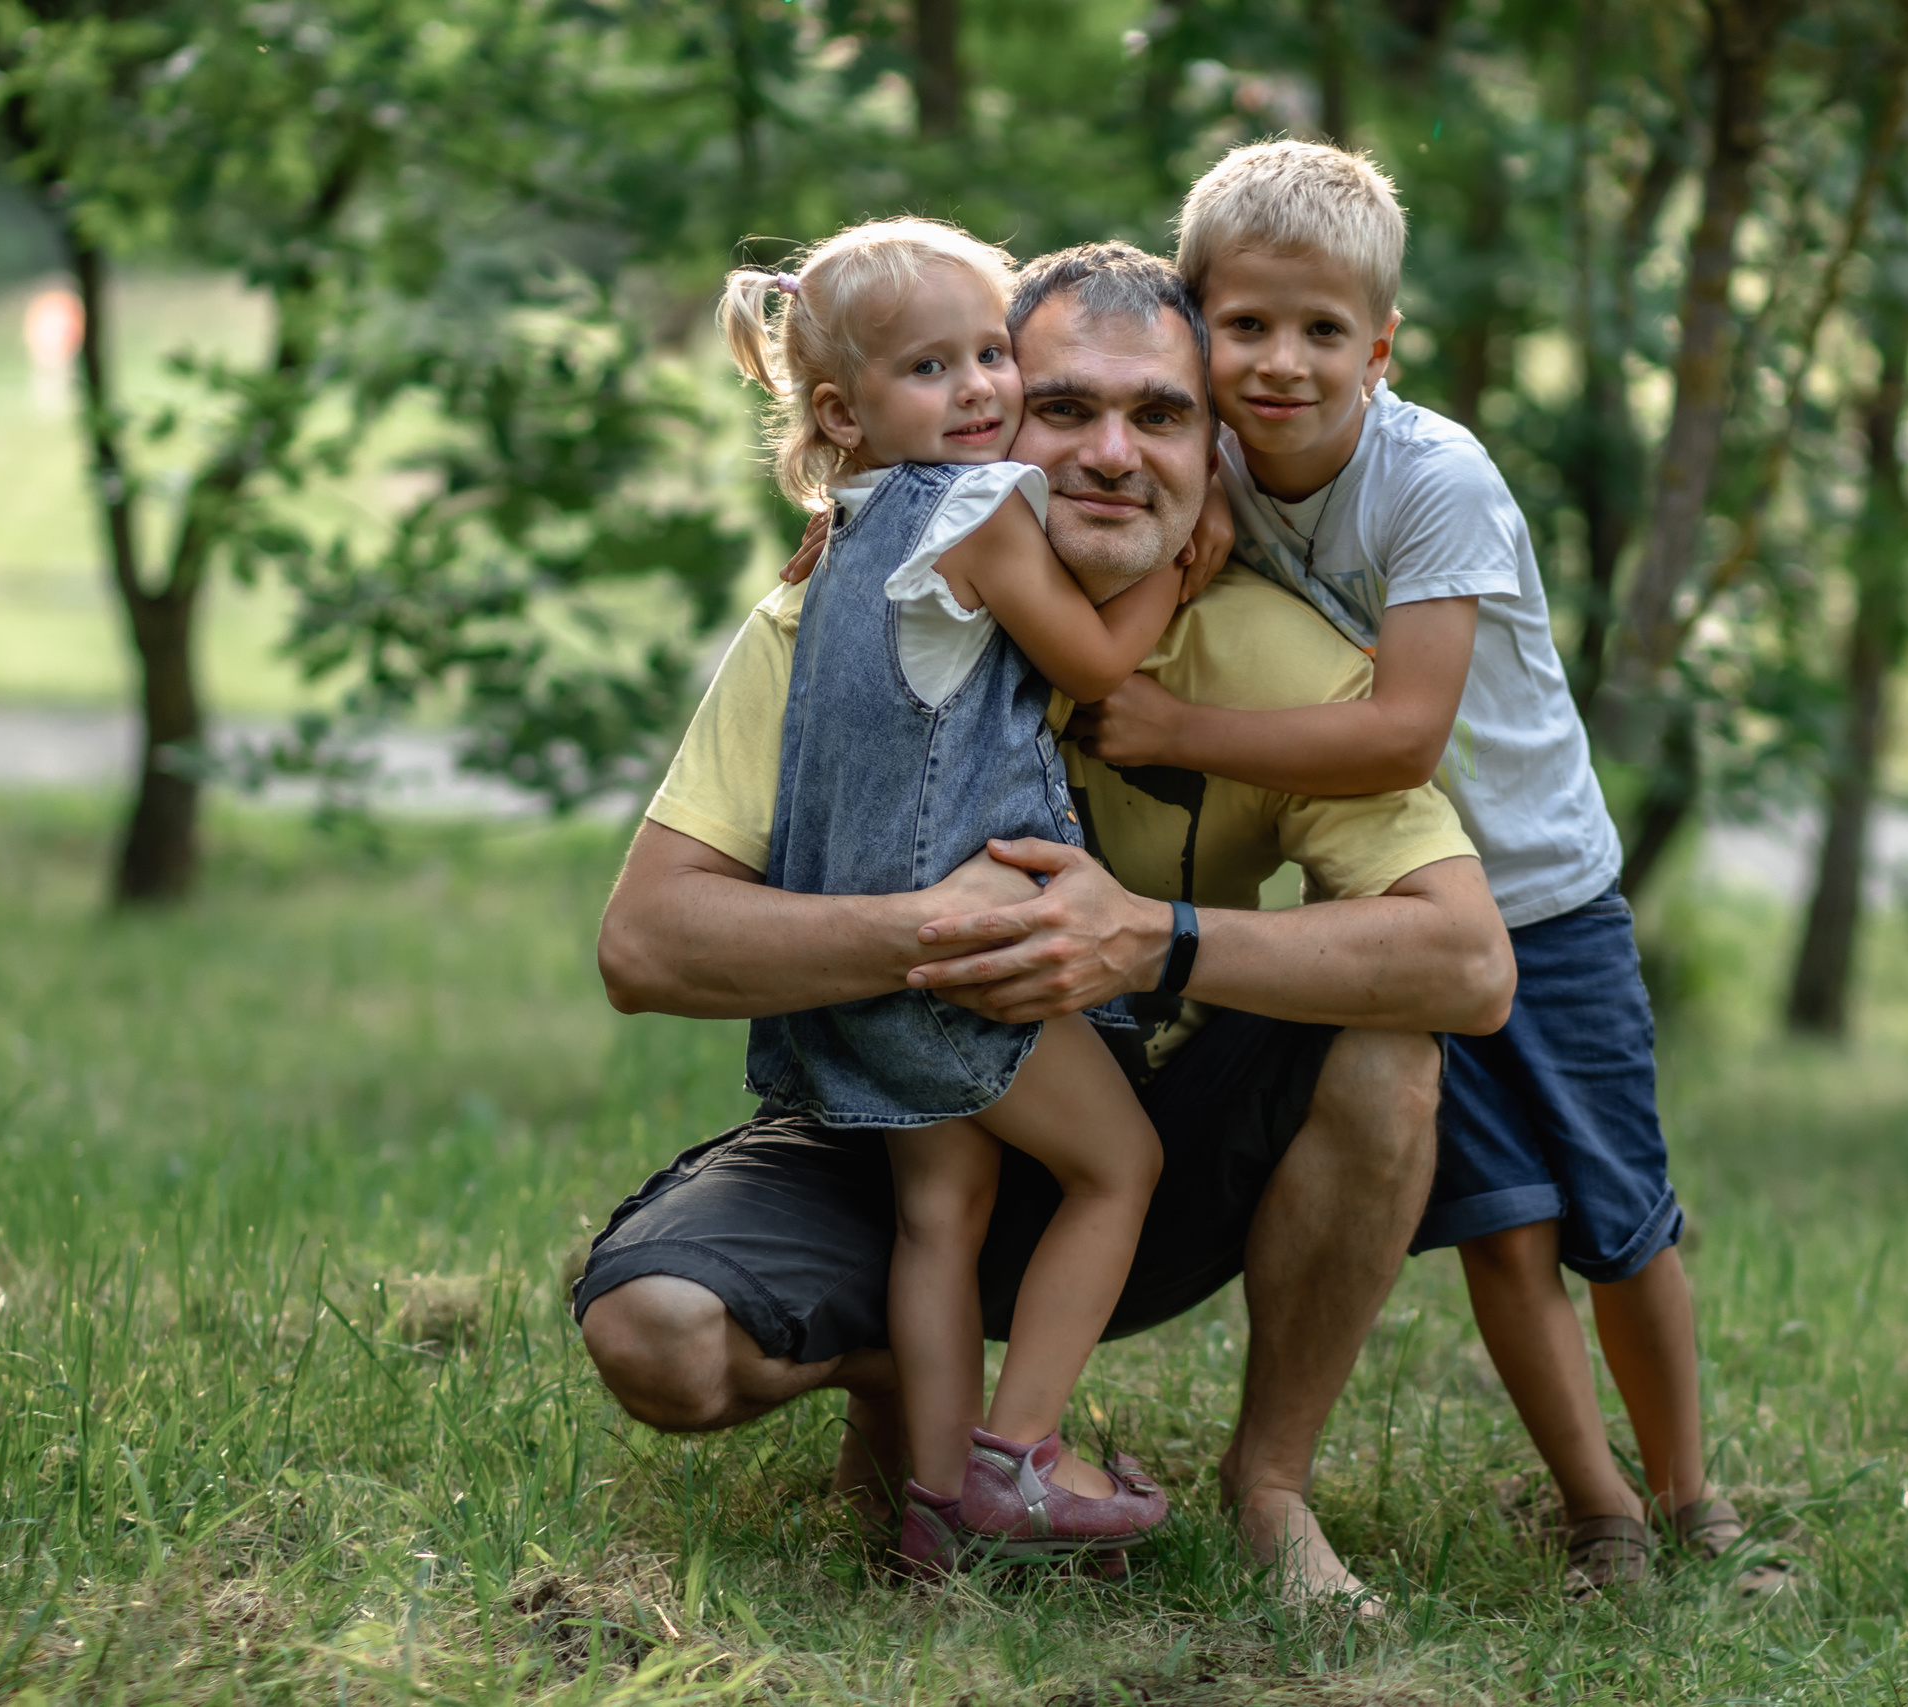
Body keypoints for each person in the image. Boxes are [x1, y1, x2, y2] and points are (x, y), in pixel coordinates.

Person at [575, 241, 1516, 1608]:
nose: (1113, 456)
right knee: (662, 1336)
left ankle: (1269, 1490)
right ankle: (922, 1429)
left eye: (1162, 415)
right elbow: (645, 946)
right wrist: (936, 932)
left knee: (1388, 1049)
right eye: (1063, 408)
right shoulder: (826, 612)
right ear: (995, 420)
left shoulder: (1263, 650)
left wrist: (1151, 938)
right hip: (885, 1101)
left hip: (1150, 1122)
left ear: (1217, 449)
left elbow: (1468, 962)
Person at [1076, 139, 1742, 1594]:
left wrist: (1175, 724)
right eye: (1244, 325)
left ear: (1380, 346)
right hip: (1389, 909)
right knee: (1499, 1230)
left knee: (1614, 1223)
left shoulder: (1434, 479)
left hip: (1541, 900)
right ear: (1194, 322)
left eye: (1324, 333)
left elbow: (1401, 734)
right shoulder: (1207, 461)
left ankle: (1698, 1503)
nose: (1281, 363)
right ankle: (1601, 1517)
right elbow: (1028, 396)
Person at [713, 217, 1180, 1570]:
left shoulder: (843, 530)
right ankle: (1016, 1453)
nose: (980, 389)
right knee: (1120, 1164)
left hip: (858, 970)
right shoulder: (977, 513)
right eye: (934, 369)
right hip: (959, 950)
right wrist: (1184, 556)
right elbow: (1093, 663)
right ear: (846, 412)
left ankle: (929, 1517)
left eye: (991, 354)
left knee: (941, 1216)